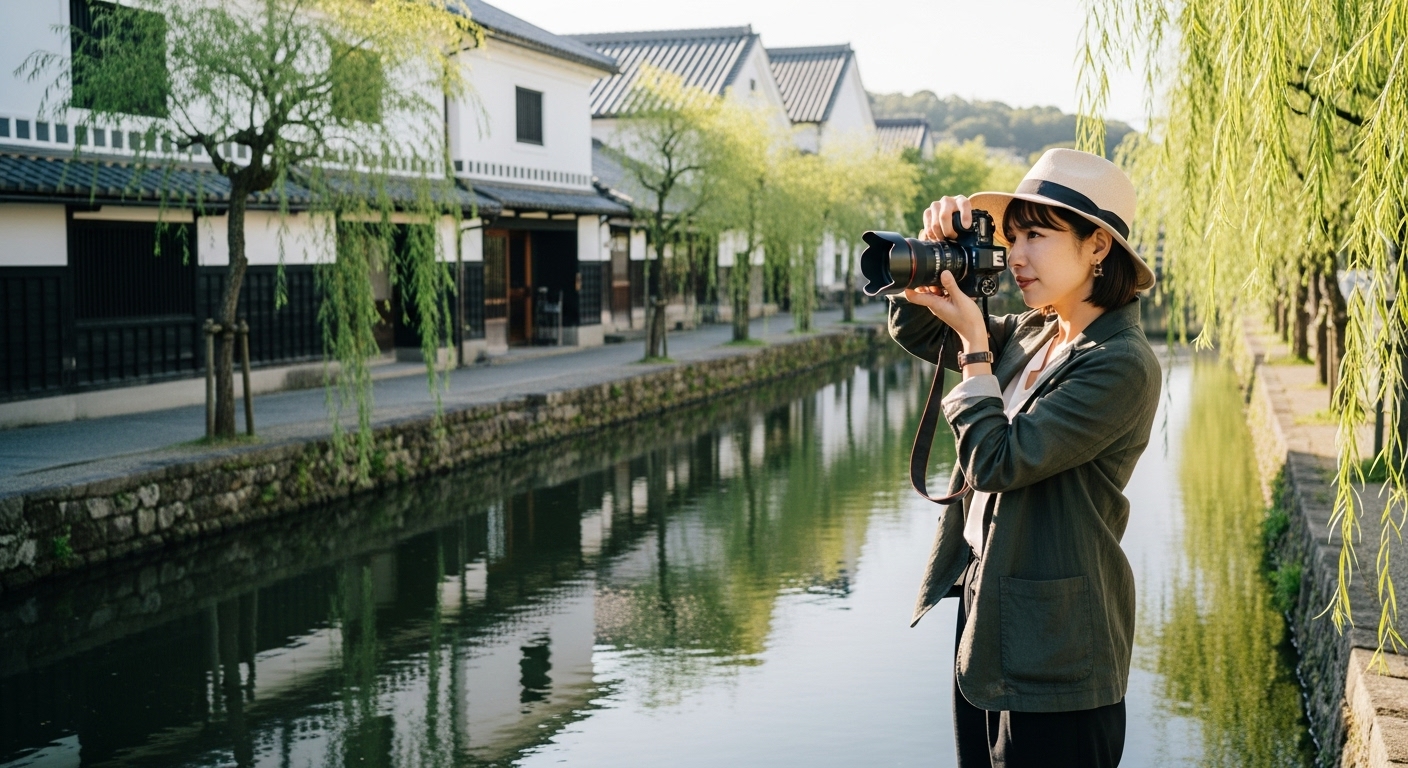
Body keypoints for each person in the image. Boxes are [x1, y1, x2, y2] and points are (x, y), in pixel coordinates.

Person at [889, 148, 1161, 768]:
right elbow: (921, 330)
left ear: (1098, 245)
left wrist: (978, 351)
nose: (1016, 255)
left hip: (1060, 651)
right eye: (1012, 237)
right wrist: (934, 252)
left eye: (1037, 235)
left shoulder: (1121, 362)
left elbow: (999, 461)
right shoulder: (1038, 330)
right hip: (988, 619)